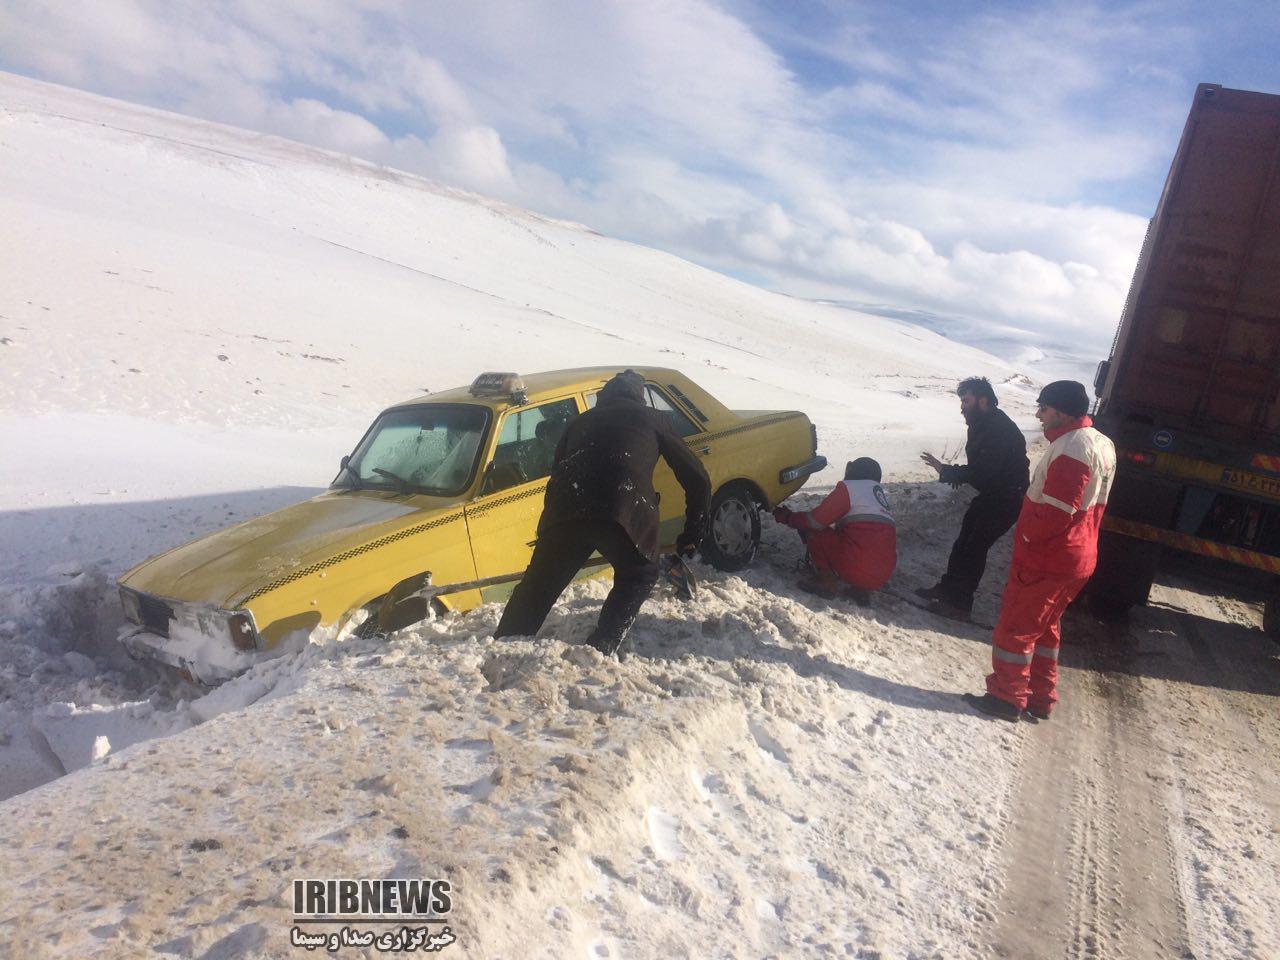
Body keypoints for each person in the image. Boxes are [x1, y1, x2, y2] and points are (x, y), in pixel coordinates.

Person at [494, 370, 710, 655]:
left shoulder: (579, 421)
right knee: (639, 574)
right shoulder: (653, 418)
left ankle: (502, 647)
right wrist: (693, 533)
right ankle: (600, 648)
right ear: (639, 397)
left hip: (566, 509)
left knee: (538, 586)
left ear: (604, 397)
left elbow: (558, 473)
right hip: (621, 510)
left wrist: (548, 533)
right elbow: (697, 478)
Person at [963, 380, 1116, 722]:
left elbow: (1057, 510)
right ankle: (1039, 697)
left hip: (1049, 557)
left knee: (1015, 628)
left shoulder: (1073, 447)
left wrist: (1028, 539)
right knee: (1045, 630)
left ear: (1060, 411)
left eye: (1044, 409)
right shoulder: (1100, 442)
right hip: (1077, 556)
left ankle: (1005, 698)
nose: (1039, 415)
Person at [918, 376, 1029, 621]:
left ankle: (960, 604)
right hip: (993, 494)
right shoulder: (982, 424)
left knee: (974, 548)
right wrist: (951, 471)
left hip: (1007, 498)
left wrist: (947, 471)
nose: (962, 407)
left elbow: (984, 471)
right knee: (964, 543)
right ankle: (948, 590)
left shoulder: (998, 428)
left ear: (982, 400)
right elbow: (979, 469)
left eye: (965, 400)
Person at [773, 457, 897, 604]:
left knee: (815, 532)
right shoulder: (877, 495)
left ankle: (827, 582)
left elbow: (815, 521)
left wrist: (789, 517)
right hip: (882, 574)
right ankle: (861, 589)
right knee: (859, 540)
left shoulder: (850, 488)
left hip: (856, 567)